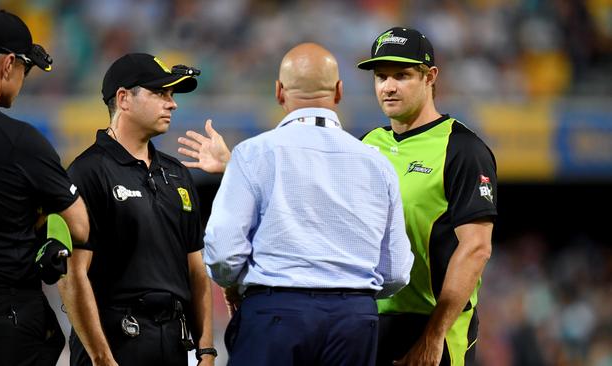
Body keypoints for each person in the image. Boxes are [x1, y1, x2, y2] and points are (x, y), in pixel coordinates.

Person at [202, 43, 414, 366]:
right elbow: (396, 271)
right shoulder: (377, 163)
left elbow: (223, 254)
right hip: (354, 320)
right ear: (339, 92)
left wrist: (238, 285)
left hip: (274, 313)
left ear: (279, 92)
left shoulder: (252, 154)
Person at [58, 53, 216, 366]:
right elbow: (72, 276)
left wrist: (207, 350)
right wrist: (102, 358)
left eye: (171, 95)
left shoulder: (177, 174)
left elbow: (196, 270)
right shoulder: (88, 172)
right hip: (114, 342)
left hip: (171, 342)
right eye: (160, 93)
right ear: (124, 99)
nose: (172, 104)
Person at [356, 27, 497, 366]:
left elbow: (476, 248)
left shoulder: (462, 149)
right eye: (381, 77)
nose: (388, 87)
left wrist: (433, 336)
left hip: (436, 326)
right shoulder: (367, 145)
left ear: (430, 76)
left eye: (402, 75)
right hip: (370, 321)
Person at [0, 9, 89, 366]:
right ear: (7, 65)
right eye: (25, 70)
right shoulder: (22, 142)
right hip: (1, 320)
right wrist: (44, 228)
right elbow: (79, 226)